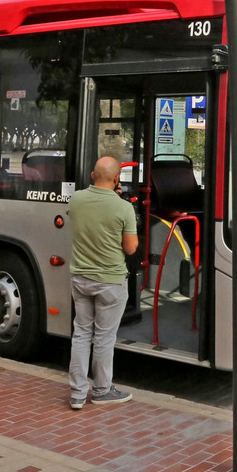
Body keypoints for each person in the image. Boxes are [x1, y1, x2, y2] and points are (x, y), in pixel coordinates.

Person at [66, 155, 139, 409]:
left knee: (81, 334)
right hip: (110, 281)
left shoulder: (76, 200)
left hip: (80, 278)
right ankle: (101, 390)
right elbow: (131, 248)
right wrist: (116, 200)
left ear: (92, 175)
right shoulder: (124, 208)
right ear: (117, 178)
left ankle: (77, 394)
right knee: (104, 338)